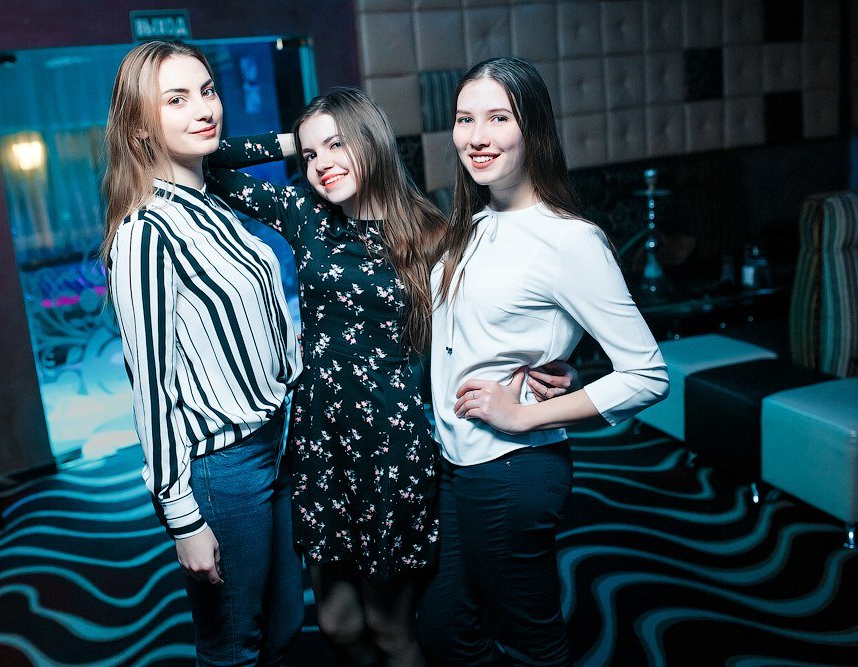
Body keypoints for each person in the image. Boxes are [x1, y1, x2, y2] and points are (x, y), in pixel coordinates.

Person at [207, 88, 580, 666]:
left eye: (337, 144)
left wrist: (547, 363)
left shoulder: (433, 233)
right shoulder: (305, 212)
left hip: (392, 445)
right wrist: (293, 140)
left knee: (389, 629)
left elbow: (485, 323)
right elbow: (208, 161)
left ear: (371, 141)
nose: (322, 163)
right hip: (320, 439)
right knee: (336, 625)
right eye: (311, 154)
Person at [416, 57, 670, 666]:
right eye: (464, 120)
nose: (477, 137)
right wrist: (560, 366)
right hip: (454, 460)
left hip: (512, 467)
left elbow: (647, 374)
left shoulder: (568, 240)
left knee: (530, 643)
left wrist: (525, 415)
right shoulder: (472, 225)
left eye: (498, 118)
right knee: (445, 629)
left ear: (533, 128)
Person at [101, 41, 303, 667]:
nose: (204, 109)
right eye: (177, 99)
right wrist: (182, 520)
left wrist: (303, 141)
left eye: (208, 90)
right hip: (222, 469)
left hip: (273, 444)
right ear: (140, 125)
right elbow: (152, 388)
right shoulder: (146, 233)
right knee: (234, 646)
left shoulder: (212, 200)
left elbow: (222, 149)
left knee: (285, 625)